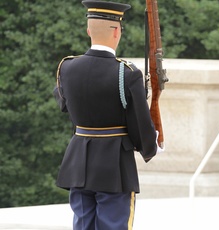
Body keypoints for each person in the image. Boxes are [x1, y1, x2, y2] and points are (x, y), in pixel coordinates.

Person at [53, 1, 163, 229]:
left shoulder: (67, 67)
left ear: (88, 30)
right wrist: (151, 145)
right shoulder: (126, 73)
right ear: (117, 31)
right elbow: (139, 125)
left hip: (78, 164)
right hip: (114, 167)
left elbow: (64, 105)